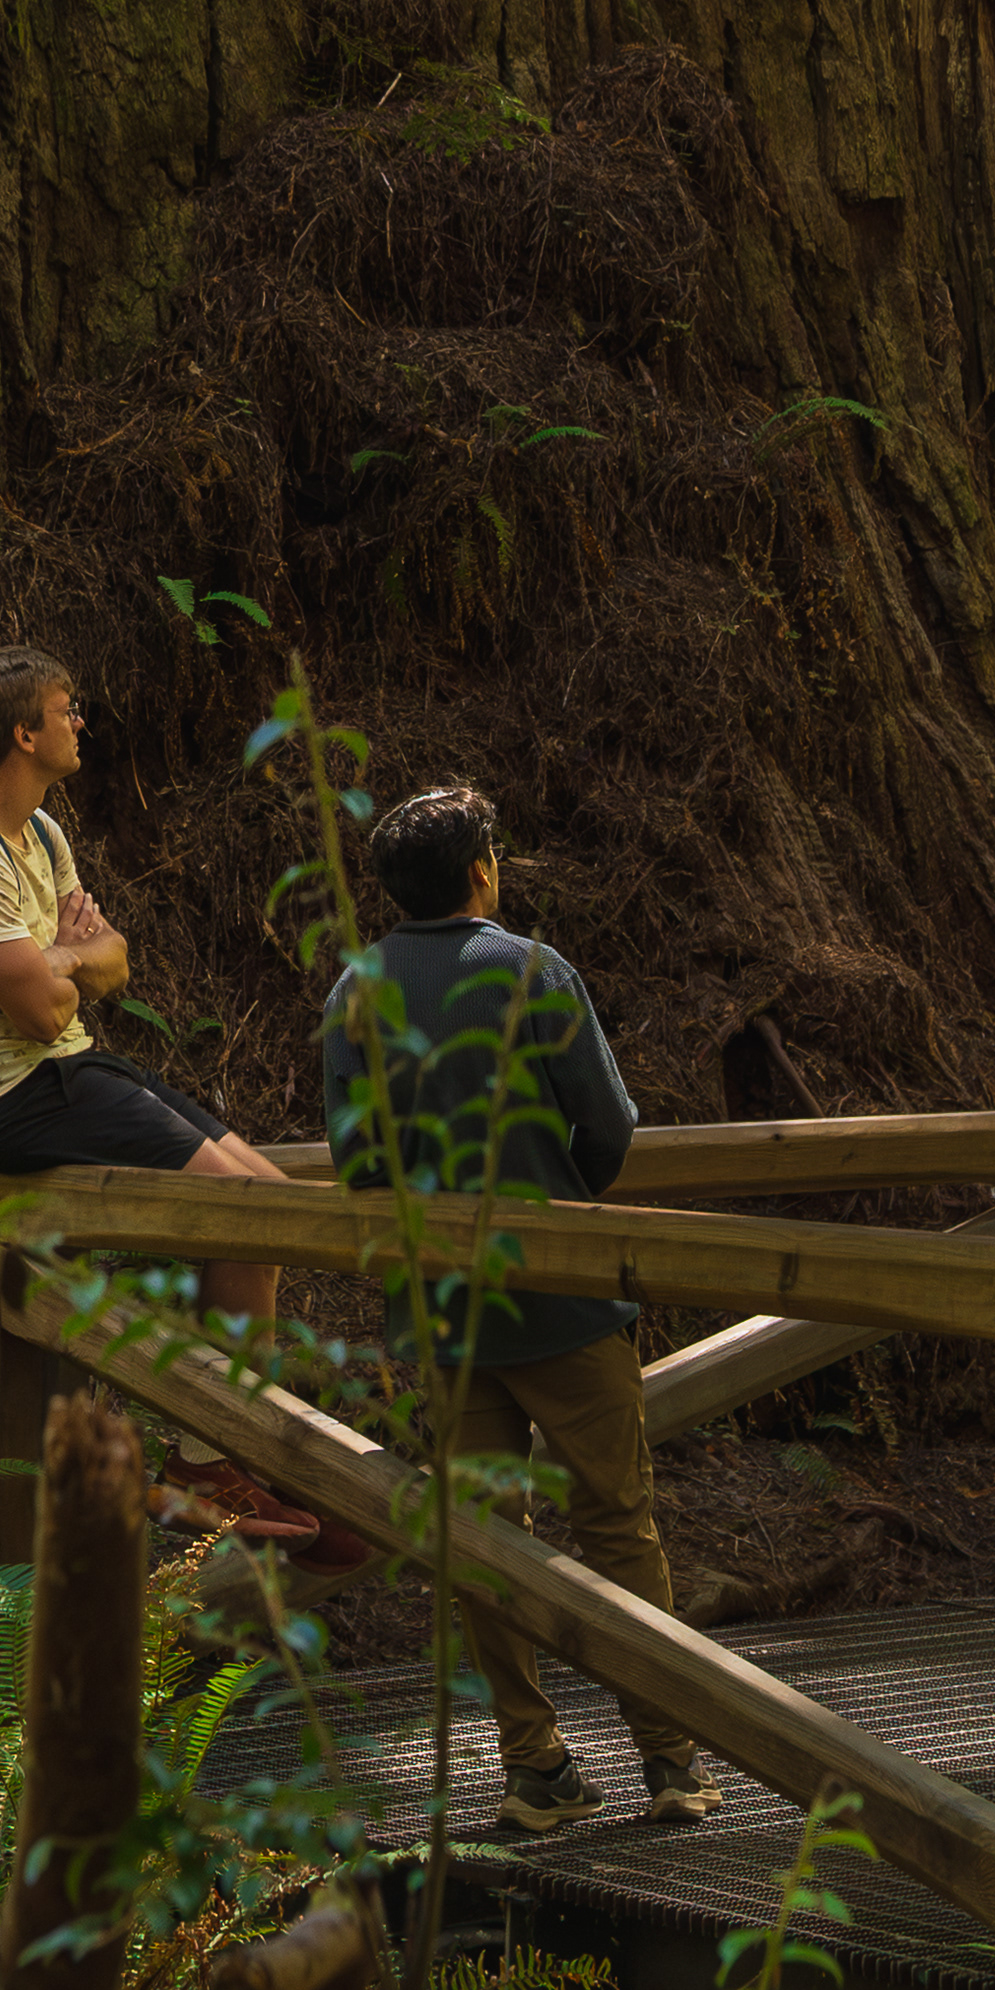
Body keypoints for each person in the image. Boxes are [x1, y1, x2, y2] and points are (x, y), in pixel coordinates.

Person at [321, 782, 727, 1837]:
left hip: (442, 1315)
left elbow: (361, 1161)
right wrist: (563, 1204)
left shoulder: (354, 994)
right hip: (563, 1298)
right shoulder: (534, 973)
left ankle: (534, 1766)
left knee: (484, 1536)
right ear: (482, 873)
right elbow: (610, 1126)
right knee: (618, 1522)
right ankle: (671, 1759)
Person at [0, 642, 287, 1351]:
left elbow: (117, 963)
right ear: (24, 734)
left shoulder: (40, 831)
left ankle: (221, 1429)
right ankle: (215, 1451)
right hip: (2, 1097)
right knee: (243, 1215)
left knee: (275, 1198)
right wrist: (73, 964)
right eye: (66, 710)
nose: (80, 722)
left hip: (67, 1071)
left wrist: (62, 958)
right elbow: (42, 1014)